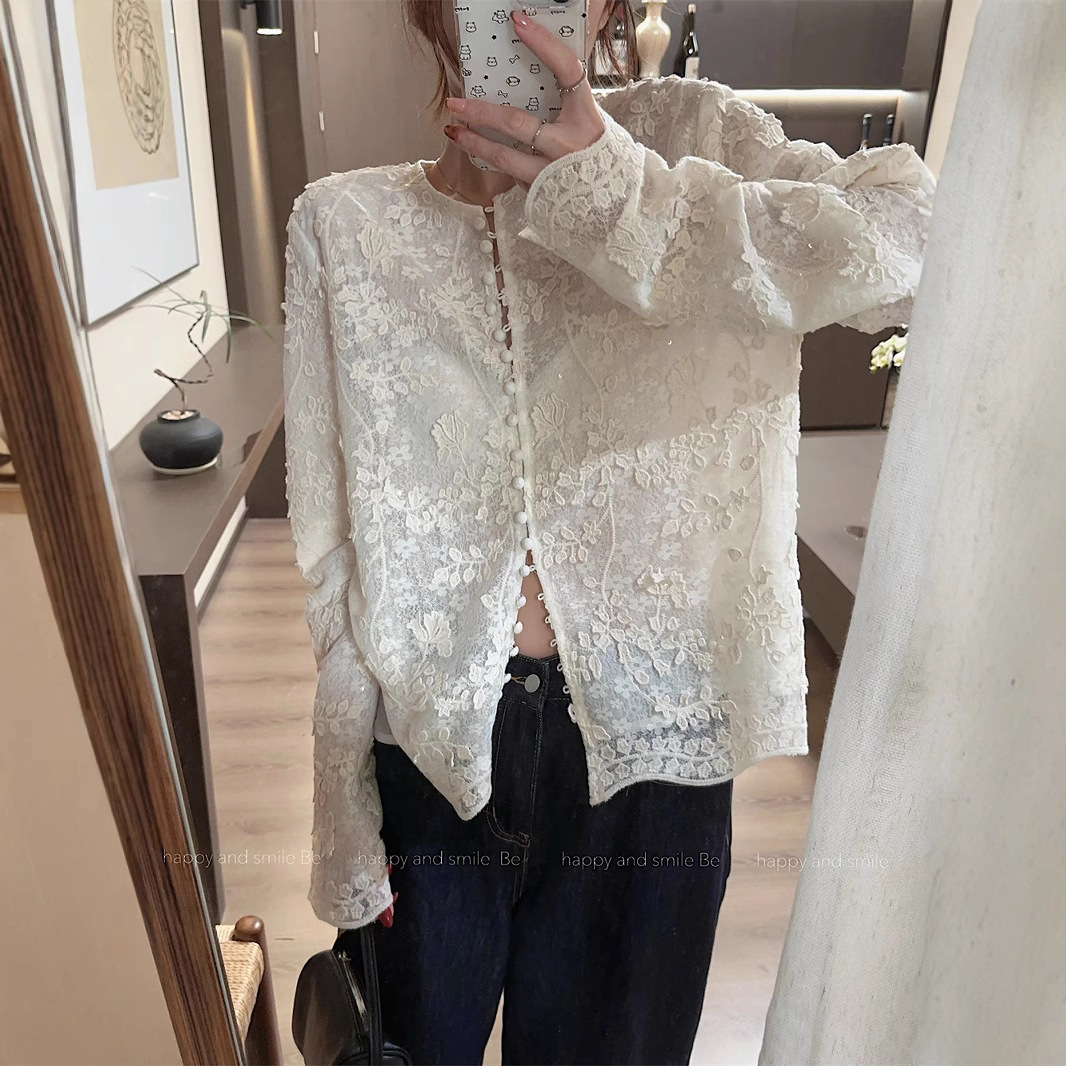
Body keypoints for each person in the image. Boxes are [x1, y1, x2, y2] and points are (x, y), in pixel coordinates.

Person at [281, 2, 936, 1062]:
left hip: (652, 762)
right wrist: (348, 821)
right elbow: (333, 554)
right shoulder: (343, 227)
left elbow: (917, 239)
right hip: (429, 760)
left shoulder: (698, 137)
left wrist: (621, 196)